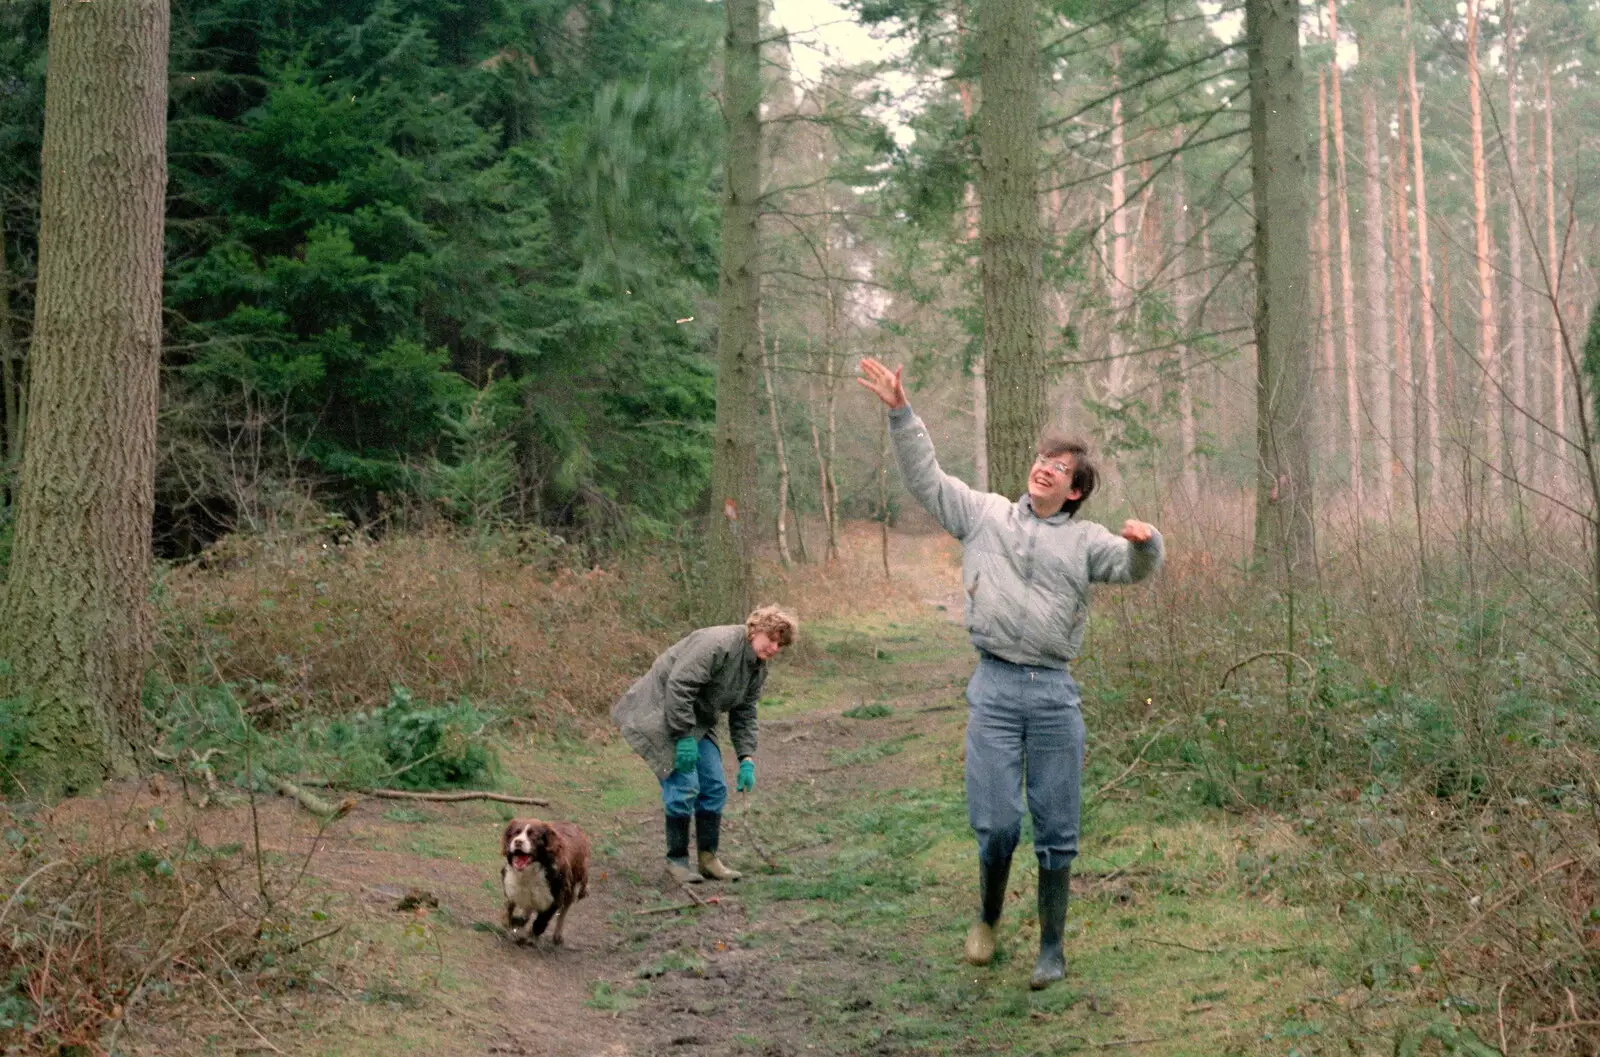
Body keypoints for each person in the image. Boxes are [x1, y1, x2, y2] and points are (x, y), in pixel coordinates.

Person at [857, 356, 1163, 990]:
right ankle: (988, 918)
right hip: (993, 689)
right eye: (1044, 458)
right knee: (997, 824)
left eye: (1062, 467)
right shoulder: (986, 514)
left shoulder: (1088, 543)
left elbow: (1134, 570)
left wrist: (1148, 543)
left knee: (1057, 828)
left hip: (1054, 695)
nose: (1045, 466)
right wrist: (900, 414)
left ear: (1074, 491)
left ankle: (1051, 947)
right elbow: (926, 479)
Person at [612, 605, 798, 884]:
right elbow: (679, 686)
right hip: (659, 711)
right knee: (684, 785)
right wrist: (684, 736)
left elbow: (745, 712)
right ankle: (677, 861)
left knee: (714, 787)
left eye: (779, 645)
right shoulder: (718, 644)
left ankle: (708, 859)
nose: (773, 648)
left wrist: (746, 757)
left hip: (697, 721)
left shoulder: (757, 669)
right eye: (770, 639)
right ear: (755, 629)